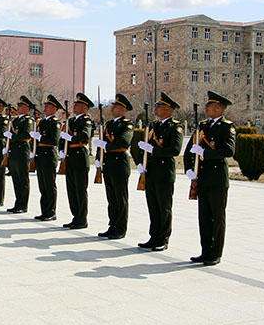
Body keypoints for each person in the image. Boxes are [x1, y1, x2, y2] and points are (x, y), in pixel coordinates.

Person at [183, 91, 237, 266]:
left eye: (210, 106)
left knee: (217, 217)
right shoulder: (202, 126)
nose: (206, 108)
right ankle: (205, 250)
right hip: (202, 178)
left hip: (217, 178)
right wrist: (189, 169)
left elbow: (228, 151)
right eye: (206, 106)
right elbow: (189, 149)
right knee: (204, 217)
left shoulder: (227, 127)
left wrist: (205, 153)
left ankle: (215, 253)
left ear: (219, 108)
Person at [136, 92, 183, 252]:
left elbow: (174, 150)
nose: (156, 108)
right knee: (153, 205)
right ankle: (153, 236)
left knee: (163, 207)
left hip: (164, 172)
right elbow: (146, 146)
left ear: (168, 109)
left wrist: (153, 150)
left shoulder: (175, 127)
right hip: (151, 171)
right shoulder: (154, 126)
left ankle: (163, 238)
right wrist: (141, 161)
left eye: (159, 106)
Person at [94, 94, 134, 239]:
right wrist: (99, 158)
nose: (113, 108)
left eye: (116, 106)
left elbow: (124, 142)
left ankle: (121, 228)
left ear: (123, 110)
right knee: (111, 198)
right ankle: (112, 225)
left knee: (120, 198)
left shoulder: (127, 125)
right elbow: (101, 142)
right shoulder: (108, 124)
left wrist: (107, 146)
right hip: (108, 163)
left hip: (119, 163)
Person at [61, 92, 94, 229]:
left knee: (80, 190)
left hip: (80, 156)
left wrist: (71, 139)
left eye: (78, 104)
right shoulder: (72, 120)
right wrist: (62, 149)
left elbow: (84, 136)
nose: (75, 106)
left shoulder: (86, 121)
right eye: (75, 104)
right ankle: (75, 216)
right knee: (71, 189)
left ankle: (82, 219)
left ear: (85, 108)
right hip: (70, 157)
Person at [33, 95, 62, 220]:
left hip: (49, 156)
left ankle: (51, 212)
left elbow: (54, 140)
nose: (45, 108)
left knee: (49, 185)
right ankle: (44, 210)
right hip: (40, 156)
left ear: (54, 109)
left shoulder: (55, 123)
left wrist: (40, 138)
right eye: (45, 106)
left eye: (48, 106)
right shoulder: (43, 122)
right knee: (42, 185)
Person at [4, 96, 32, 213]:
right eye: (18, 105)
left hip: (22, 151)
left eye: (21, 105)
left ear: (27, 108)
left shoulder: (28, 120)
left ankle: (23, 205)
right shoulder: (15, 120)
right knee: (16, 179)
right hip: (14, 152)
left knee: (22, 179)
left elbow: (26, 135)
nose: (18, 107)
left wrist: (13, 137)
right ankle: (17, 202)